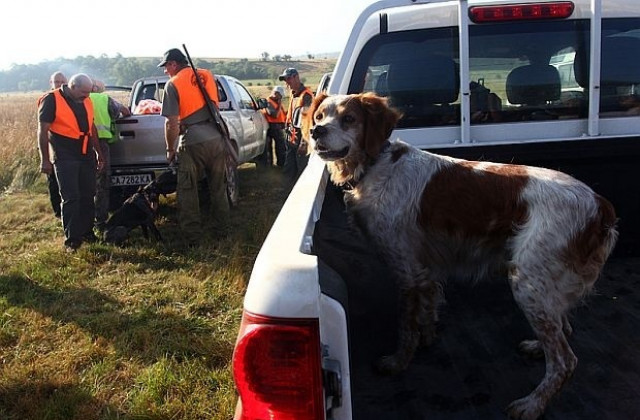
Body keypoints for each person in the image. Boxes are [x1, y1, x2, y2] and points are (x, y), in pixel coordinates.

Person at [158, 48, 229, 246]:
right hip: (216, 137)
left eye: (166, 67)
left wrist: (170, 149)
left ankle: (192, 237)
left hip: (192, 141)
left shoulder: (173, 84)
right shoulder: (206, 75)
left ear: (173, 64)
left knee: (188, 189)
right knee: (218, 187)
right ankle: (223, 230)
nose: (166, 71)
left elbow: (171, 124)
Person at [37, 73, 105, 252]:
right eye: (83, 92)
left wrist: (99, 153)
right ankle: (72, 240)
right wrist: (45, 159)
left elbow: (92, 128)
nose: (87, 96)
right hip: (64, 155)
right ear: (72, 86)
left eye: (89, 92)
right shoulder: (51, 100)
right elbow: (42, 131)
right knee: (71, 197)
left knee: (88, 195)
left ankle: (88, 233)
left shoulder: (86, 100)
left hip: (85, 155)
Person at [89, 79, 131, 232]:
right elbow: (125, 111)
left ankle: (84, 222)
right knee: (101, 185)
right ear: (98, 89)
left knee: (83, 185)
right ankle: (100, 223)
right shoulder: (104, 99)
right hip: (100, 145)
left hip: (77, 146)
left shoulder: (76, 99)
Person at [38, 71, 68, 219]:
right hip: (53, 151)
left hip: (69, 152)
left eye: (63, 81)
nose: (60, 84)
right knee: (54, 183)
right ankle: (59, 213)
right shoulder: (48, 100)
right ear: (51, 83)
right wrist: (44, 158)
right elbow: (43, 130)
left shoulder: (70, 99)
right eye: (57, 82)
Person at [279, 68, 314, 186]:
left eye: (288, 79)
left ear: (296, 77)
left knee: (302, 169)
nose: (287, 83)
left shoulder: (306, 96)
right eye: (285, 80)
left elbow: (307, 121)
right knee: (289, 166)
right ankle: (287, 192)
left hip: (300, 139)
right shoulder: (294, 94)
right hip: (291, 137)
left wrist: (304, 143)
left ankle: (304, 194)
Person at [261, 85, 287, 166]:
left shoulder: (275, 102)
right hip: (273, 126)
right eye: (280, 96)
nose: (281, 98)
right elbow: (274, 115)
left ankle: (278, 163)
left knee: (279, 146)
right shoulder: (268, 102)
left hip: (278, 125)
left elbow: (281, 114)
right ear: (276, 93)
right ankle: (279, 164)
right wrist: (279, 105)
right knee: (280, 146)